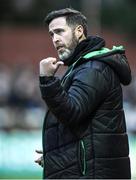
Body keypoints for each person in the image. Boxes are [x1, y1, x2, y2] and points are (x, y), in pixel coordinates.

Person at [35, 8, 131, 179]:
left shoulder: (93, 68)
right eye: (51, 34)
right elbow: (83, 125)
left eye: (59, 31)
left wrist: (47, 79)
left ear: (79, 31)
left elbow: (72, 112)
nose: (55, 39)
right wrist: (58, 152)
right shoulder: (83, 67)